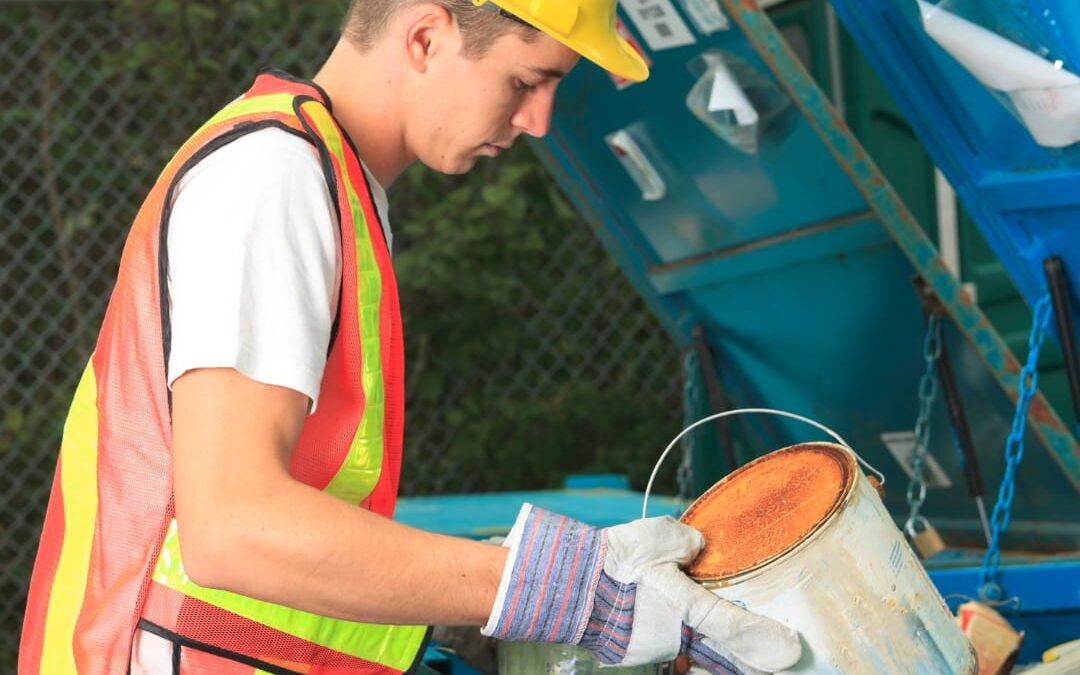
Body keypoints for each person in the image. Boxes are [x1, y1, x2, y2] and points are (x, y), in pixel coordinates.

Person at [19, 1, 802, 673]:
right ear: (426, 36)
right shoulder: (276, 179)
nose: (537, 121)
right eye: (527, 82)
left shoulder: (327, 178)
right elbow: (232, 525)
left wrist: (494, 592)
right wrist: (559, 590)